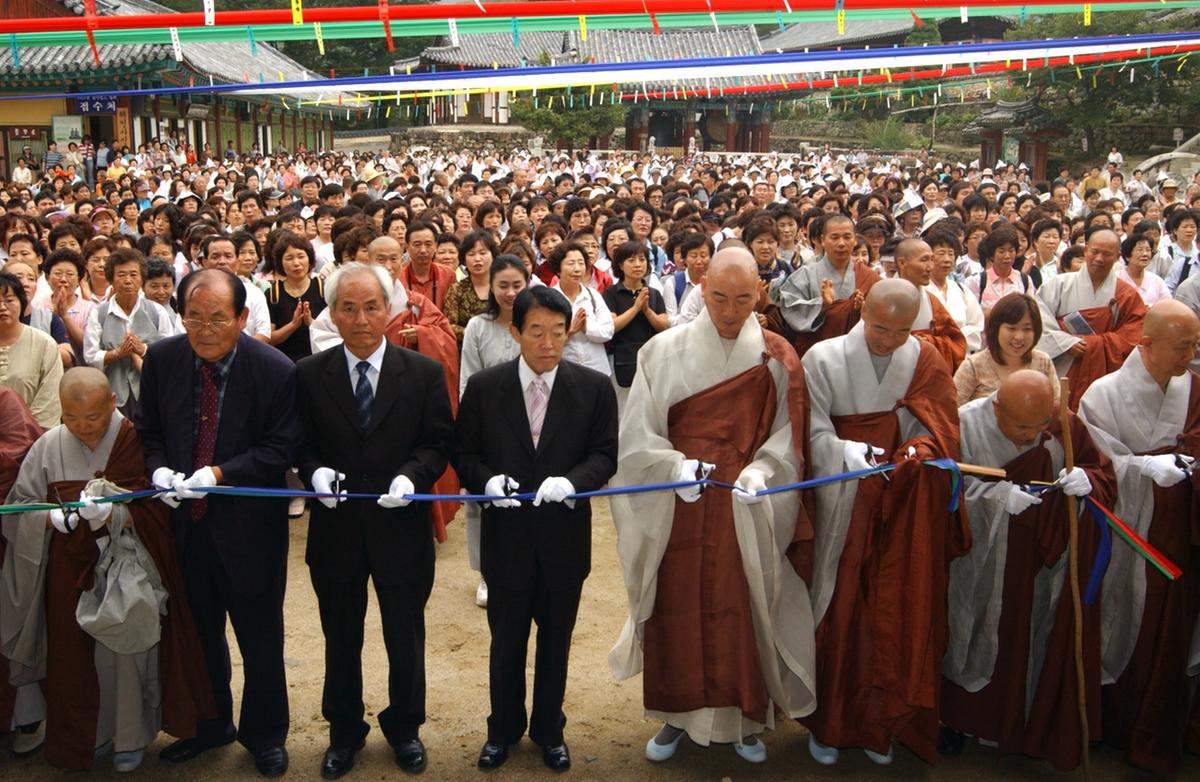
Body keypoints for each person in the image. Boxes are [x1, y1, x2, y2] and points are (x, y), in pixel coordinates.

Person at [610, 245, 817, 765]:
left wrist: (762, 471)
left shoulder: (775, 358)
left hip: (744, 505)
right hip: (678, 502)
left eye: (743, 299)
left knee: (741, 605)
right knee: (676, 603)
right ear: (701, 290)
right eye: (719, 297)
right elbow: (637, 437)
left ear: (760, 295)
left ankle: (744, 719)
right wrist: (672, 467)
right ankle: (676, 717)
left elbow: (788, 440)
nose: (729, 311)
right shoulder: (662, 351)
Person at [0, 367, 213, 772]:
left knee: (125, 651)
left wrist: (116, 516)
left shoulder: (134, 440)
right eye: (71, 418)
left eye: (93, 418)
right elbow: (17, 509)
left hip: (127, 567)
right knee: (71, 659)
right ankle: (88, 736)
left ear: (112, 403)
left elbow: (157, 511)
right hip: (67, 570)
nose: (82, 427)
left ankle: (129, 737)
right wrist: (50, 521)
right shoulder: (47, 446)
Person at [135, 267, 303, 777]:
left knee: (260, 637)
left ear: (241, 317)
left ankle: (266, 734)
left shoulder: (274, 368)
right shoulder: (163, 359)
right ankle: (210, 725)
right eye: (193, 319)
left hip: (249, 530)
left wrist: (220, 472)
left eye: (217, 319)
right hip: (185, 527)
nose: (204, 330)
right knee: (198, 632)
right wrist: (160, 467)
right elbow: (150, 429)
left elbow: (281, 448)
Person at [296, 263, 454, 778]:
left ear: (390, 310)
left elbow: (437, 442)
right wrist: (314, 471)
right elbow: (300, 442)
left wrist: (412, 476)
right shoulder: (309, 373)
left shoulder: (422, 372)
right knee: (341, 635)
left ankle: (405, 726)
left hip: (400, 529)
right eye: (348, 307)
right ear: (332, 313)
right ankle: (344, 731)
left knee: (404, 634)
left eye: (371, 307)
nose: (361, 319)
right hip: (337, 531)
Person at [801, 278, 967, 765]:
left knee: (890, 607)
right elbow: (805, 426)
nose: (889, 340)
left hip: (900, 500)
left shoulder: (925, 360)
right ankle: (827, 723)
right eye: (879, 327)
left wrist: (917, 450)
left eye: (901, 331)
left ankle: (880, 723)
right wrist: (838, 449)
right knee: (838, 603)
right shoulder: (823, 358)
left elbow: (941, 426)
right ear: (861, 310)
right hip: (841, 499)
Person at [455, 285, 618, 772]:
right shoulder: (486, 387)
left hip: (563, 541)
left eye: (558, 332)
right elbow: (463, 454)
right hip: (506, 542)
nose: (548, 343)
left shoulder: (592, 388)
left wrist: (571, 481)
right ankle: (501, 729)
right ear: (515, 331)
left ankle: (550, 729)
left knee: (555, 642)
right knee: (506, 642)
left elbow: (604, 456)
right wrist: (487, 482)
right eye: (536, 332)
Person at [940, 370, 1115, 770]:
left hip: (1042, 565)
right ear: (997, 407)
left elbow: (1101, 472)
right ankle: (959, 721)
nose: (1030, 436)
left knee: (1030, 638)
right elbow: (941, 486)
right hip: (979, 562)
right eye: (1021, 426)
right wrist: (997, 497)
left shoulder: (1064, 425)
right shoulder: (964, 423)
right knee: (974, 633)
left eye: (1040, 427)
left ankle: (1025, 726)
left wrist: (1087, 480)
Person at [1078, 299, 1200, 776]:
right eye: (1182, 345)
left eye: (1194, 344)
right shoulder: (1104, 393)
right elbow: (1097, 465)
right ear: (1146, 343)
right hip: (1130, 533)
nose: (1190, 355)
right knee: (1125, 620)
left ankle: (1166, 732)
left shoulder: (1194, 387)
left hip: (1183, 532)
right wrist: (1141, 466)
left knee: (1174, 631)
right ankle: (1115, 725)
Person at [459, 255, 529, 608]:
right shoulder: (477, 326)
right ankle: (486, 572)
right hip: (488, 427)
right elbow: (467, 381)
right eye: (503, 285)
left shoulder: (534, 323)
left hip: (530, 427)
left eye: (517, 285)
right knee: (483, 502)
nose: (510, 293)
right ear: (492, 286)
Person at [1036, 228, 1147, 410]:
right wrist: (1065, 343)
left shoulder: (1125, 294)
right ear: (1086, 250)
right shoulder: (1058, 285)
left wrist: (1093, 344)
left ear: (1118, 256)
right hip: (1063, 368)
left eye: (1107, 254)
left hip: (1106, 377)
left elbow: (1135, 334)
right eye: (1094, 252)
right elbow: (1037, 320)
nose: (1099, 258)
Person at [0, 387, 46, 759]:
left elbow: (19, 451)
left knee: (14, 627)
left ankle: (25, 718)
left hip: (8, 543)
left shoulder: (4, 399)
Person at [82, 248, 177, 419]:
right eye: (121, 275)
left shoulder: (156, 311)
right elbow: (90, 355)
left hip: (149, 392)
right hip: (113, 394)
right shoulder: (100, 313)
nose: (128, 281)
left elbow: (170, 353)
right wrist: (117, 353)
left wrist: (143, 349)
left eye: (133, 275)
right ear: (111, 279)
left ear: (141, 279)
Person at [771, 213, 880, 356]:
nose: (841, 243)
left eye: (847, 237)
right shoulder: (806, 274)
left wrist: (862, 310)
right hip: (818, 354)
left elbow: (881, 315)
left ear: (854, 240)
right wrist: (822, 305)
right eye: (834, 237)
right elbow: (789, 306)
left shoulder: (869, 276)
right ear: (823, 240)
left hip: (858, 352)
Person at [954, 293, 1060, 406]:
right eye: (1011, 328)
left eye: (1027, 329)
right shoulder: (973, 366)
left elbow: (1056, 407)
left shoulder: (1043, 362)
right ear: (996, 328)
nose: (1019, 337)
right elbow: (951, 413)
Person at [603, 241, 667, 408]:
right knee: (624, 409)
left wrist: (646, 310)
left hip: (652, 357)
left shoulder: (653, 293)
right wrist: (636, 308)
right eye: (631, 260)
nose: (638, 264)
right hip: (622, 360)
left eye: (642, 259)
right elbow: (612, 326)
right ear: (620, 266)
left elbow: (664, 326)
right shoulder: (611, 294)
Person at [0, 270, 63, 429]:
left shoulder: (44, 344)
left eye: (9, 300)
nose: (2, 307)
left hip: (32, 440)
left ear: (22, 303)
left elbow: (49, 400)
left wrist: (24, 434)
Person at [895, 238, 969, 373]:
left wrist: (928, 341)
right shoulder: (882, 296)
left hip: (924, 372)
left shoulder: (932, 301)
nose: (930, 267)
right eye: (924, 260)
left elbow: (956, 342)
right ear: (902, 263)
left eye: (931, 260)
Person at [549, 240, 614, 376]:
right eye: (571, 263)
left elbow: (608, 331)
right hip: (564, 371)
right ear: (558, 269)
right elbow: (546, 340)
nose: (577, 269)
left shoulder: (593, 296)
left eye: (581, 263)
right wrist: (570, 331)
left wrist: (586, 328)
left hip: (597, 370)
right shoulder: (549, 299)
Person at [925, 231, 984, 353]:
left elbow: (976, 325)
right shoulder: (920, 290)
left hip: (961, 356)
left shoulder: (961, 290)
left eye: (951, 254)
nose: (947, 259)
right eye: (941, 253)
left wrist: (956, 339)